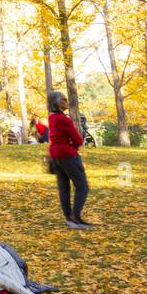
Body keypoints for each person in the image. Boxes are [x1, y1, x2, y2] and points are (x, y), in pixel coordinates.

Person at [46, 91, 95, 228]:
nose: (66, 102)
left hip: (55, 154)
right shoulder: (64, 119)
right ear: (57, 103)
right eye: (64, 100)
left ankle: (69, 218)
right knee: (82, 186)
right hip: (67, 154)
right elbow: (78, 139)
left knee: (64, 187)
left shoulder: (52, 118)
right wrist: (73, 143)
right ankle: (75, 216)